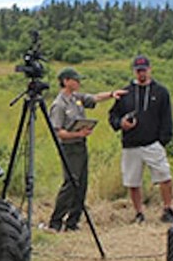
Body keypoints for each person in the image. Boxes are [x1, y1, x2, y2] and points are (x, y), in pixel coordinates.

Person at [47, 67, 126, 232]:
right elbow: (58, 132)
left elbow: (95, 98)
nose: (78, 83)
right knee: (71, 183)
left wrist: (112, 94)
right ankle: (56, 221)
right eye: (75, 80)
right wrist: (77, 133)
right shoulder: (59, 104)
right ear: (66, 81)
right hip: (70, 148)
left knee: (82, 184)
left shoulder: (77, 98)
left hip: (81, 145)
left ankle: (73, 222)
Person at [108, 54, 173, 224]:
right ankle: (139, 212)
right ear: (134, 71)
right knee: (133, 181)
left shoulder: (161, 92)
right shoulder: (125, 92)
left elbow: (166, 118)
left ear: (149, 69)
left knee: (164, 176)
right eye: (138, 71)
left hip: (153, 143)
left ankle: (168, 208)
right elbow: (113, 115)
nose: (141, 73)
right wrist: (120, 123)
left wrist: (163, 140)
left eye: (144, 70)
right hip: (131, 144)